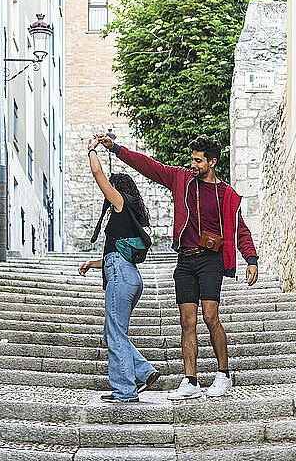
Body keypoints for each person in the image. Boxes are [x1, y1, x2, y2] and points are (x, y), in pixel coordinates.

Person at [97, 134, 259, 399]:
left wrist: (250, 259)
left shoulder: (227, 195)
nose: (192, 164)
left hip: (211, 260)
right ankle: (191, 381)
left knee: (210, 316)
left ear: (212, 162)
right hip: (185, 260)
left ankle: (223, 374)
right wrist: (115, 149)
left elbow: (241, 230)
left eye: (198, 160)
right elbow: (148, 166)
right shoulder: (181, 179)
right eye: (191, 159)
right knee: (187, 321)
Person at [78, 136, 160, 403]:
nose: (106, 193)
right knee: (113, 332)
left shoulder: (120, 202)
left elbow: (97, 172)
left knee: (114, 332)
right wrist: (93, 264)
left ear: (116, 189)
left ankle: (125, 390)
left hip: (121, 276)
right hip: (129, 275)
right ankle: (143, 373)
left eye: (109, 189)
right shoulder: (130, 211)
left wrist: (91, 149)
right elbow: (118, 251)